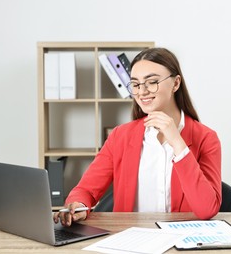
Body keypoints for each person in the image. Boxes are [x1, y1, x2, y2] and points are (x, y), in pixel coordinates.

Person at [54, 47, 221, 226]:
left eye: (152, 82)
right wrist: (78, 206)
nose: (142, 92)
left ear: (176, 83)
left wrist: (178, 143)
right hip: (131, 239)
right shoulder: (120, 137)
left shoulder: (206, 138)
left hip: (181, 239)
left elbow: (207, 208)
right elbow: (86, 190)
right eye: (135, 84)